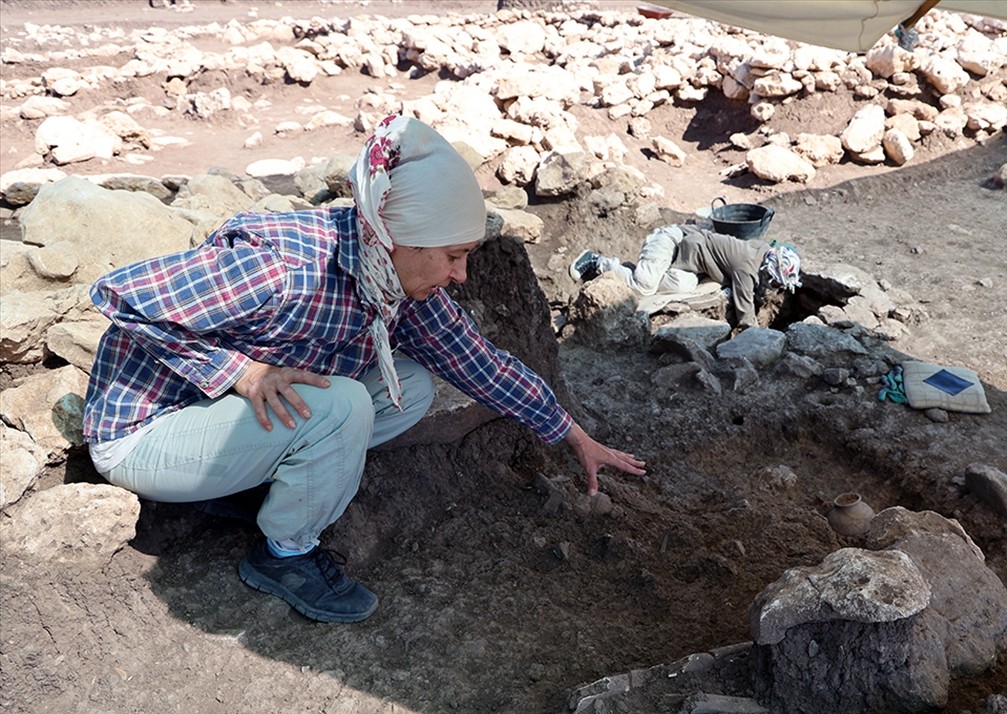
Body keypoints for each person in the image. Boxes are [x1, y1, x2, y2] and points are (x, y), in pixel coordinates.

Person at [83, 114, 646, 624]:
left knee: (411, 388)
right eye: (453, 255)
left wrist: (572, 434)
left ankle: (255, 491)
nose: (462, 275)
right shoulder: (283, 267)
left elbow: (481, 363)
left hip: (212, 427)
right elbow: (121, 297)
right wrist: (242, 372)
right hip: (146, 434)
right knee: (343, 404)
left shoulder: (392, 281)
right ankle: (284, 556)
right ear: (397, 239)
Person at [571, 224, 802, 330]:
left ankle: (639, 271)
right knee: (644, 289)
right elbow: (745, 313)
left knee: (682, 284)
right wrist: (760, 338)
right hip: (672, 240)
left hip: (690, 262)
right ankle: (598, 261)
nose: (773, 287)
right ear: (766, 269)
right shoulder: (747, 267)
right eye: (773, 281)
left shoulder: (762, 251)